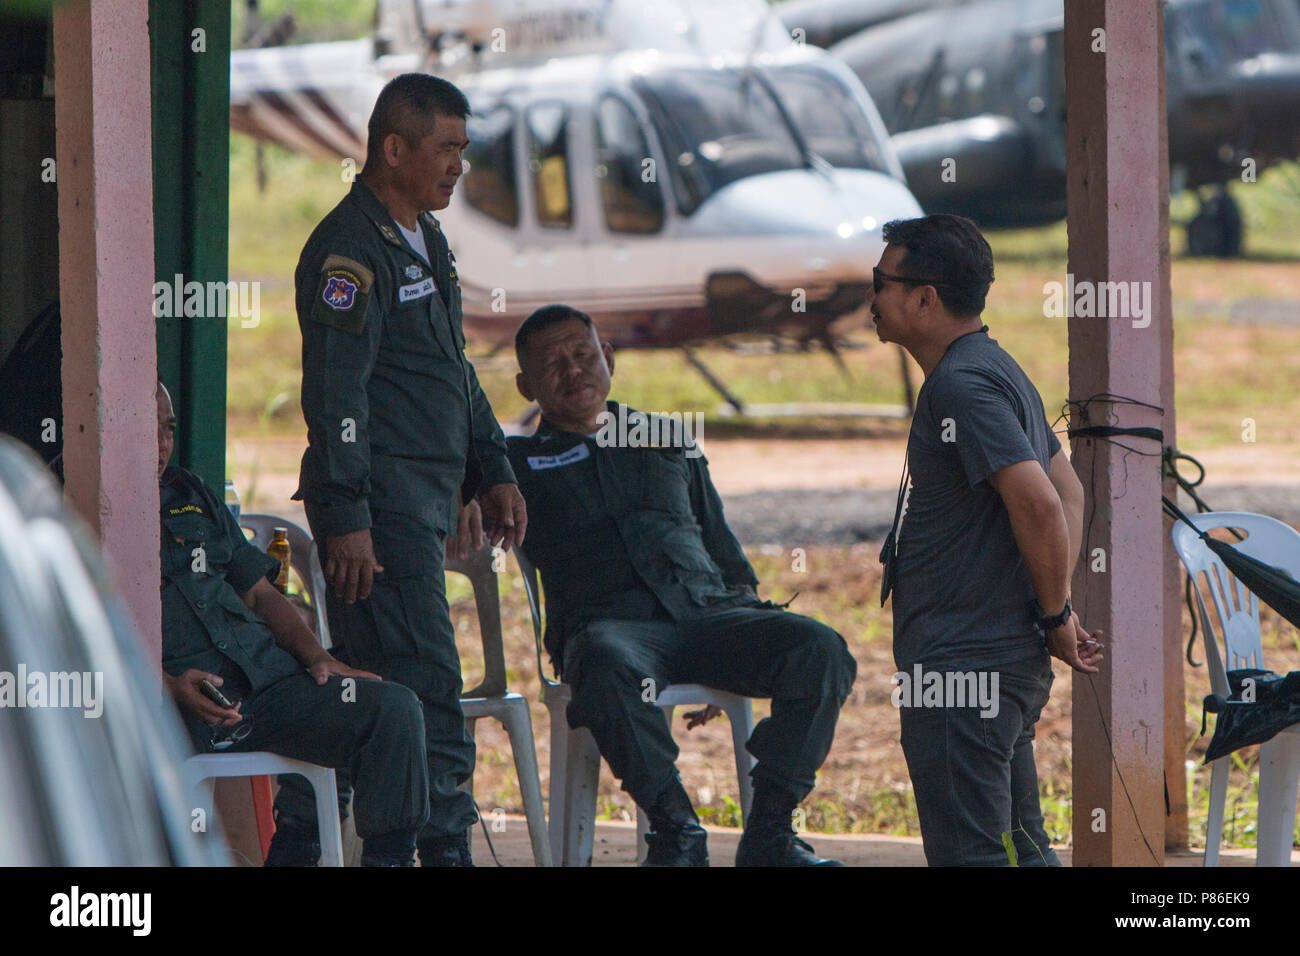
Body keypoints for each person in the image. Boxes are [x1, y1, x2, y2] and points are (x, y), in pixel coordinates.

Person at [507, 305, 857, 867]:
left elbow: (722, 548)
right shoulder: (516, 465)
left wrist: (737, 655)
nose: (573, 371)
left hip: (707, 616)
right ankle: (676, 833)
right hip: (612, 630)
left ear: (609, 359)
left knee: (820, 649)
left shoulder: (667, 438)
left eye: (583, 354)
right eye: (552, 364)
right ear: (527, 385)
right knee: (601, 657)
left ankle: (770, 836)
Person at [282, 72, 527, 867]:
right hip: (379, 512)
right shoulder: (350, 251)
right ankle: (441, 848)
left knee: (372, 695)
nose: (459, 165)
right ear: (394, 149)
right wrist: (348, 514)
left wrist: (490, 468)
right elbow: (336, 394)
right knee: (425, 689)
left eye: (463, 148)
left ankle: (301, 845)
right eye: (445, 148)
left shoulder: (426, 235)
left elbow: (451, 369)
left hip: (421, 502)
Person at [870, 214, 1105, 866]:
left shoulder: (961, 386)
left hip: (963, 671)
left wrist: (1055, 612)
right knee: (1023, 850)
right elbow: (1071, 494)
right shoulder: (995, 366)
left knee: (973, 855)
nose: (871, 298)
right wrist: (1048, 607)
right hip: (1000, 668)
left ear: (924, 297)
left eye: (881, 282)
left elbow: (1038, 500)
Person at [156, 382, 429, 867]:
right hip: (173, 707)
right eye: (146, 426)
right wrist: (166, 687)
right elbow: (77, 636)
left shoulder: (190, 492)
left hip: (265, 685)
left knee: (393, 708)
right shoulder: (78, 504)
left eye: (169, 429)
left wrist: (317, 657)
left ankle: (374, 858)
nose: (159, 442)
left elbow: (260, 592)